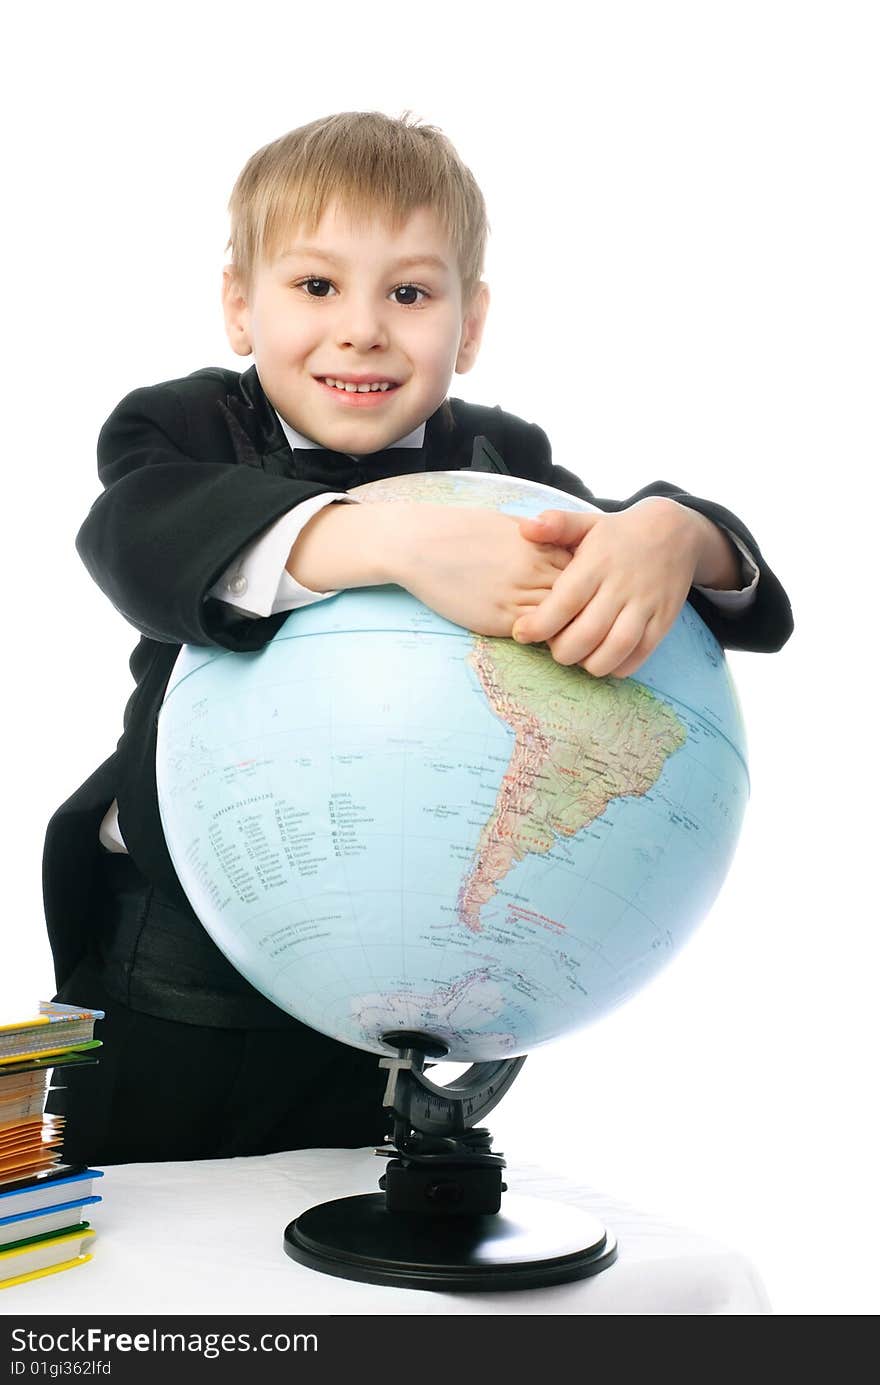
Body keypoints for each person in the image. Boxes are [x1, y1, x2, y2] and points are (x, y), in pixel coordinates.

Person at [43, 111, 793, 1166]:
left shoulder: (502, 457)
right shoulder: (177, 429)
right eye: (315, 287)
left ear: (469, 322)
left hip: (382, 974)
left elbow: (650, 572)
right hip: (174, 969)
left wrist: (678, 534)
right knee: (154, 1254)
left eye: (409, 292)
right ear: (237, 305)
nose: (361, 329)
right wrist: (393, 539)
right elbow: (137, 533)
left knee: (344, 1252)